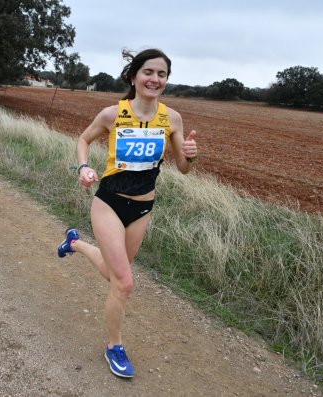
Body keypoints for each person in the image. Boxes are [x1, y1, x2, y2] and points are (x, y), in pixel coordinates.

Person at [56, 48, 198, 378]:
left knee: (111, 272)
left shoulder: (172, 119)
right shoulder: (112, 114)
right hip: (109, 202)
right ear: (133, 77)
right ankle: (114, 347)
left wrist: (191, 155)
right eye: (149, 72)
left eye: (162, 74)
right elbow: (83, 139)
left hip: (143, 207)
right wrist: (83, 167)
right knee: (124, 283)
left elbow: (184, 168)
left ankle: (74, 243)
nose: (155, 79)